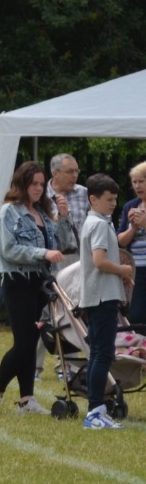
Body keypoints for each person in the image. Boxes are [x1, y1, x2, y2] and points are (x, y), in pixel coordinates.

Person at [0, 160, 64, 416]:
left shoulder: (44, 212)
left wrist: (64, 217)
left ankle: (27, 400)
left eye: (41, 184)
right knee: (24, 343)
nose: (39, 189)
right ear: (23, 184)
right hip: (18, 282)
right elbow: (9, 250)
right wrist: (43, 252)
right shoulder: (10, 211)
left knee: (31, 339)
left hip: (40, 282)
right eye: (34, 184)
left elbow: (64, 242)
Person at [77, 174, 133, 429]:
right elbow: (99, 261)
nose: (114, 203)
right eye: (109, 199)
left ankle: (96, 408)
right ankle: (94, 411)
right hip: (102, 298)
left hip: (100, 294)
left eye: (115, 199)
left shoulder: (99, 221)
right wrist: (122, 271)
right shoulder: (98, 224)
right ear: (93, 199)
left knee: (99, 353)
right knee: (102, 354)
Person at [117, 161, 146, 327]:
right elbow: (120, 241)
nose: (137, 186)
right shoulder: (131, 206)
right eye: (134, 182)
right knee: (136, 316)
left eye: (141, 181)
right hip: (137, 270)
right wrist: (133, 228)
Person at [47, 152, 89, 264]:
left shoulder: (84, 193)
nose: (75, 175)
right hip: (51, 259)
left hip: (80, 257)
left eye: (77, 171)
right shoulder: (42, 196)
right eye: (70, 171)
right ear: (55, 173)